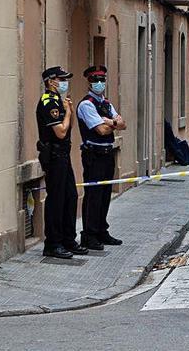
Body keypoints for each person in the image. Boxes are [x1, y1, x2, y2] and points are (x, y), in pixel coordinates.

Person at [36, 67, 88, 259]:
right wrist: (67, 113)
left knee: (71, 197)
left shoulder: (59, 101)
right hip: (54, 157)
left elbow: (70, 126)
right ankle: (53, 243)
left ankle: (68, 239)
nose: (65, 82)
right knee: (56, 200)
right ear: (51, 81)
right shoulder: (48, 103)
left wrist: (69, 112)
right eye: (61, 79)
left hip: (63, 156)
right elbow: (61, 132)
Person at [77, 65, 127, 250]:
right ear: (89, 82)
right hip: (94, 155)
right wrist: (113, 122)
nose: (99, 83)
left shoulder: (106, 104)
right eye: (95, 80)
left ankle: (101, 230)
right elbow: (101, 129)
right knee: (94, 195)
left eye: (101, 80)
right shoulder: (86, 104)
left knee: (105, 194)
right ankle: (89, 235)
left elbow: (123, 124)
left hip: (107, 153)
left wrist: (111, 122)